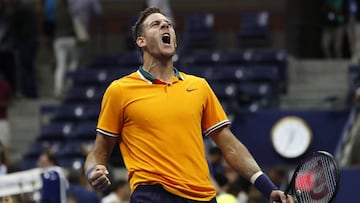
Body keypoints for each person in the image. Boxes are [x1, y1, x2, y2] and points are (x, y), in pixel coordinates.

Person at [84, 7, 294, 203]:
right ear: (141, 41)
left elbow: (230, 145)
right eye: (155, 24)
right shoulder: (120, 90)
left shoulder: (199, 86)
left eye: (168, 24)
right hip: (152, 194)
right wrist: (93, 170)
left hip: (203, 195)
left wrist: (267, 186)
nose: (165, 26)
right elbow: (99, 151)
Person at [53, 0, 79, 98]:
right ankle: (69, 85)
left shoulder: (56, 13)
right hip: (70, 39)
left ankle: (58, 89)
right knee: (74, 62)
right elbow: (76, 25)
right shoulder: (71, 11)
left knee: (60, 65)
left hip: (58, 40)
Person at [0, 74, 13, 147]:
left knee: (4, 145)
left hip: (2, 120)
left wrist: (2, 104)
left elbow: (10, 101)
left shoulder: (5, 85)